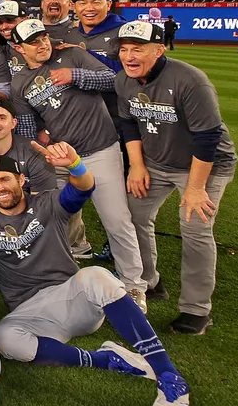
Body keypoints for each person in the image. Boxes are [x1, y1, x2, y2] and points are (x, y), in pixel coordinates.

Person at [0, 147, 192, 406]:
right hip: (30, 311)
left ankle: (169, 375)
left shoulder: (48, 203)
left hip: (74, 298)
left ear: (20, 180)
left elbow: (84, 187)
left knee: (96, 275)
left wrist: (75, 165)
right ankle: (107, 359)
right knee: (5, 338)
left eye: (5, 179)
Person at [116, 21, 237, 336]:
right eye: (124, 48)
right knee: (132, 216)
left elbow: (207, 139)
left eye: (137, 49)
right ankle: (149, 282)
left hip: (205, 165)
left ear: (159, 49)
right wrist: (138, 166)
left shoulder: (190, 80)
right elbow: (129, 125)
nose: (128, 55)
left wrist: (196, 189)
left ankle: (196, 310)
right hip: (156, 162)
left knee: (195, 227)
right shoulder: (123, 81)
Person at [9, 19, 144, 294]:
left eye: (43, 37)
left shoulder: (72, 55)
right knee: (49, 219)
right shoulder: (20, 82)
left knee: (116, 220)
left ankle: (134, 286)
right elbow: (26, 129)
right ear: (18, 48)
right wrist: (42, 146)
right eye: (33, 41)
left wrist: (76, 75)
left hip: (100, 150)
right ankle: (59, 279)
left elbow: (113, 80)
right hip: (60, 159)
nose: (42, 44)